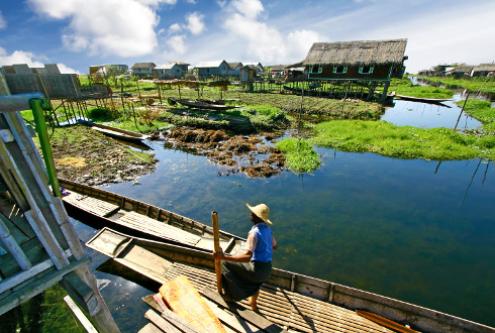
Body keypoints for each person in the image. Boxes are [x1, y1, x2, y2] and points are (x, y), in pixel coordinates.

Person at [214, 203, 277, 311]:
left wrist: (223, 257)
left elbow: (247, 257)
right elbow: (275, 246)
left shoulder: (254, 233)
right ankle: (253, 303)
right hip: (267, 269)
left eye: (252, 213)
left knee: (225, 264)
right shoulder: (267, 229)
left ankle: (231, 296)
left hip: (257, 271)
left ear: (256, 217)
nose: (250, 214)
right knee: (256, 282)